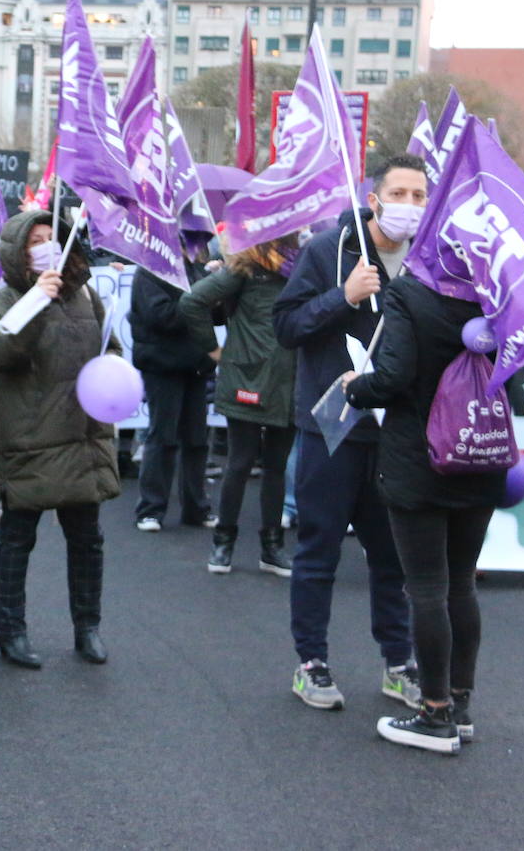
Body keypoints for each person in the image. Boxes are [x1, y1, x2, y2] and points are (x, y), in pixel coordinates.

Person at [272, 153, 428, 713]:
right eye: (401, 193)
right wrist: (344, 296)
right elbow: (286, 326)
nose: (410, 205)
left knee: (394, 559)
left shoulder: (428, 261)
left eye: (419, 195)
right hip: (331, 430)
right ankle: (310, 662)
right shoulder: (328, 251)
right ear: (374, 198)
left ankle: (398, 664)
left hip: (397, 436)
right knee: (318, 553)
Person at [344, 274, 507, 753]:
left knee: (428, 588)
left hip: (421, 459)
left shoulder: (409, 292)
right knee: (460, 582)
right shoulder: (496, 293)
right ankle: (460, 705)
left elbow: (394, 375)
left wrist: (357, 386)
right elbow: (516, 371)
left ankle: (434, 715)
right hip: (480, 453)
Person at [0, 210, 120, 669]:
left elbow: (109, 346)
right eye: (34, 240)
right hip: (26, 443)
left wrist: (112, 371)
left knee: (87, 541)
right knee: (17, 540)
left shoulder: (86, 298)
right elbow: (0, 353)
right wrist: (35, 302)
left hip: (81, 439)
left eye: (51, 237)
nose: (44, 245)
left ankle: (88, 628)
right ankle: (11, 633)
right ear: (18, 253)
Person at [179, 236, 297, 576]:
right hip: (247, 379)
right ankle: (223, 542)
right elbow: (192, 302)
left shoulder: (304, 264)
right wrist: (214, 351)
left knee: (276, 466)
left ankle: (272, 547)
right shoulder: (245, 266)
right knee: (240, 463)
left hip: (289, 380)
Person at [129, 257, 217, 533]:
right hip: (162, 365)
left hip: (195, 364)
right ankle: (151, 509)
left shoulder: (196, 268)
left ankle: (196, 508)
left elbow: (214, 315)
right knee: (162, 437)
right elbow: (162, 316)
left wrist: (219, 289)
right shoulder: (149, 271)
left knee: (197, 440)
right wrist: (203, 296)